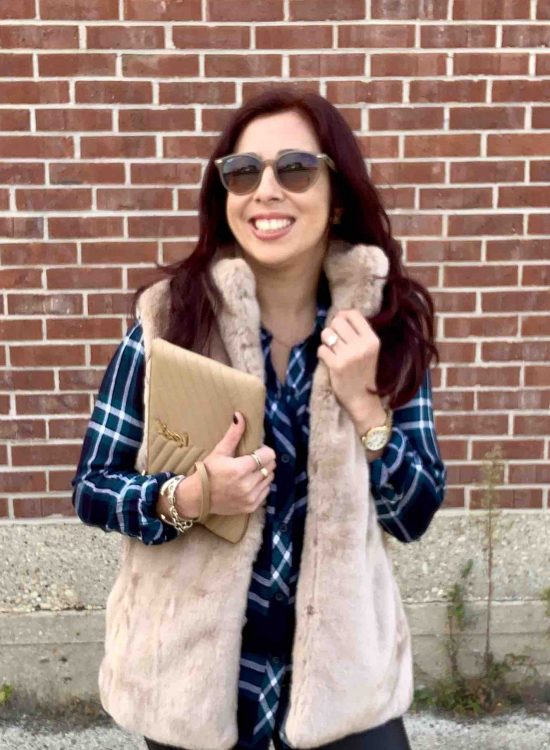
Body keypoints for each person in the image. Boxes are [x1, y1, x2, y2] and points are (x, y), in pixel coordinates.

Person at [72, 87, 446, 750]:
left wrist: (365, 406)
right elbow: (93, 486)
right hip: (195, 684)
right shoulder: (170, 322)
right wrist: (190, 496)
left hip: (343, 684)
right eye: (243, 173)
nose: (265, 190)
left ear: (337, 196)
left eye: (295, 169)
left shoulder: (382, 331)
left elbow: (413, 514)